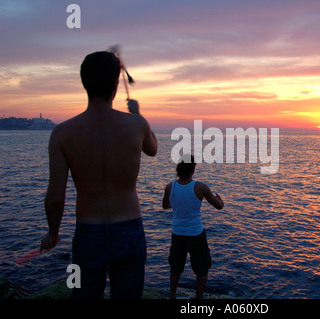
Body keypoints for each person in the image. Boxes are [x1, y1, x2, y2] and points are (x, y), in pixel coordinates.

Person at [40, 51, 158, 299]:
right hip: (128, 231)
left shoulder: (62, 133)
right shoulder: (136, 125)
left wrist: (53, 232)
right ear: (116, 84)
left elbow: (55, 197)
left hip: (88, 234)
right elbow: (153, 149)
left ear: (84, 83)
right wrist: (138, 113)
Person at [162, 155, 224, 299]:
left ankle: (172, 296)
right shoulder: (200, 187)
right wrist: (221, 200)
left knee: (176, 267)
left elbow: (165, 205)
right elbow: (219, 206)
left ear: (178, 169)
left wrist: (178, 204)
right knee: (201, 268)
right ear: (193, 169)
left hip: (177, 233)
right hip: (196, 233)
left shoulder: (170, 187)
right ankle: (198, 298)